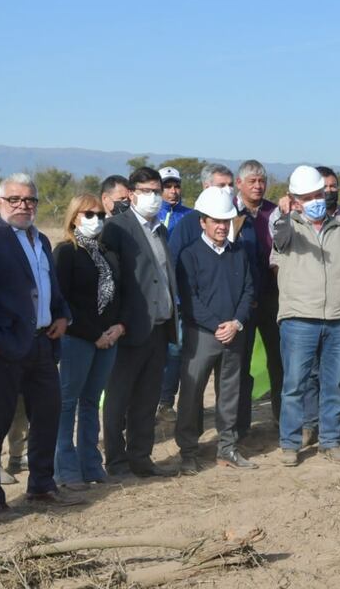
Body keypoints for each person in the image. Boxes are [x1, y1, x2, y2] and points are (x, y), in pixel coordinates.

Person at [0, 173, 76, 521]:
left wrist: (63, 315)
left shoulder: (40, 240)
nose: (22, 206)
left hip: (42, 343)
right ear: (0, 202)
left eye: (29, 200)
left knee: (47, 416)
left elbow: (51, 287)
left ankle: (41, 486)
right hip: (5, 348)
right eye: (14, 199)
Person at [273, 165, 340, 467]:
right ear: (294, 199)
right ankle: (290, 442)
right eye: (307, 196)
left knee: (334, 383)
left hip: (339, 320)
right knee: (295, 384)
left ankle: (330, 441)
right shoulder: (286, 226)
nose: (315, 200)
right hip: (299, 318)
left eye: (318, 194)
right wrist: (285, 214)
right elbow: (280, 241)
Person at [100, 166, 179, 478]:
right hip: (129, 329)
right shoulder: (117, 228)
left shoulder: (160, 229)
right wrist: (119, 323)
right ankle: (117, 462)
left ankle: (141, 458)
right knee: (118, 397)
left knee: (147, 398)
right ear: (131, 194)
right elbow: (111, 281)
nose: (153, 197)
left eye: (156, 191)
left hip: (159, 327)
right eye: (146, 191)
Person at [169, 163, 259, 433]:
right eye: (216, 221)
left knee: (230, 392)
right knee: (192, 390)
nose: (222, 226)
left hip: (234, 331)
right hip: (202, 333)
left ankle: (228, 447)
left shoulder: (238, 252)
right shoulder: (189, 251)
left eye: (226, 221)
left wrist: (236, 323)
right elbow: (188, 294)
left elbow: (247, 290)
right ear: (203, 222)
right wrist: (216, 325)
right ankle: (189, 449)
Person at [53, 194, 123, 490]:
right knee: (67, 404)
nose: (96, 219)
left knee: (91, 402)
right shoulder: (66, 252)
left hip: (108, 339)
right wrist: (93, 334)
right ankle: (65, 470)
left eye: (99, 214)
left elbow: (116, 297)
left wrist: (116, 329)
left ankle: (91, 464)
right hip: (77, 338)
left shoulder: (107, 253)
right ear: (74, 217)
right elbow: (62, 299)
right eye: (88, 214)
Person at [235, 159, 283, 422]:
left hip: (274, 297)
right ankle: (241, 424)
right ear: (239, 183)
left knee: (279, 360)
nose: (257, 186)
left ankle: (282, 417)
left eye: (261, 181)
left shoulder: (274, 213)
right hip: (243, 300)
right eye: (252, 181)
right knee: (241, 364)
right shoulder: (230, 214)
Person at [156, 166, 192, 234]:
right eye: (168, 187)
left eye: (177, 187)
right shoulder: (151, 215)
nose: (173, 191)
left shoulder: (191, 215)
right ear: (158, 189)